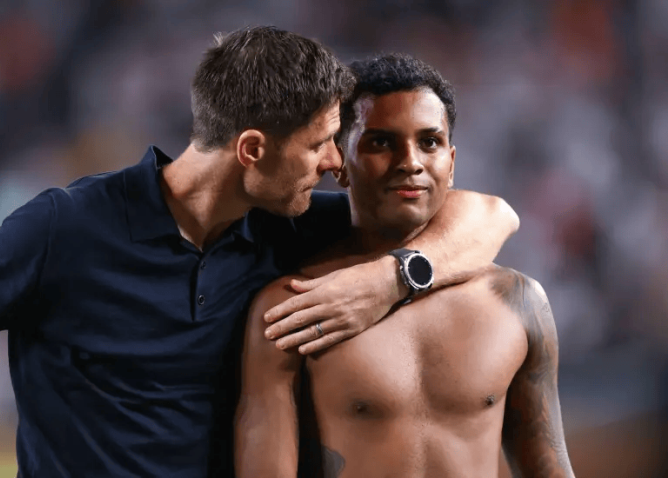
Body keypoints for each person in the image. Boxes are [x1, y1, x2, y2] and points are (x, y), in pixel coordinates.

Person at [0, 28, 518, 478]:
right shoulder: (63, 227)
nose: (333, 164)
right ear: (252, 149)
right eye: (319, 143)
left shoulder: (284, 226)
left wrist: (391, 279)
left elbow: (490, 215)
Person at [236, 54, 575, 478]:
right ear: (340, 163)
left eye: (429, 142)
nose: (410, 161)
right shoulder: (293, 308)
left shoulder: (520, 303)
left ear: (452, 163)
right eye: (381, 142)